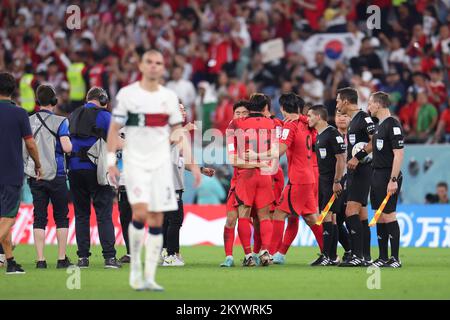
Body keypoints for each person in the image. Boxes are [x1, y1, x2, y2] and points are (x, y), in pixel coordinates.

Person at [106, 49, 201, 291]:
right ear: (141, 65)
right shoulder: (128, 95)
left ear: (162, 67)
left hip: (161, 170)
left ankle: (149, 276)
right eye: (149, 62)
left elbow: (179, 133)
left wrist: (194, 166)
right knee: (139, 216)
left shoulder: (169, 97)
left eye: (159, 62)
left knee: (159, 219)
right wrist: (110, 161)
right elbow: (114, 132)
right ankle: (136, 271)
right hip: (138, 167)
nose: (154, 66)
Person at [247, 93, 324, 265]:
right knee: (311, 218)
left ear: (282, 108)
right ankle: (329, 253)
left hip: (298, 179)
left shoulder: (290, 126)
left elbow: (279, 151)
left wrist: (256, 154)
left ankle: (271, 254)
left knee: (279, 214)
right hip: (309, 177)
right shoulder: (306, 122)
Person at [68, 86, 121, 269]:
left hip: (74, 169)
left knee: (81, 215)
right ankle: (109, 258)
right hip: (96, 169)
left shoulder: (72, 114)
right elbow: (116, 141)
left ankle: (83, 258)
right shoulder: (104, 116)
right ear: (103, 99)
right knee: (104, 214)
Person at [25, 84, 73, 269]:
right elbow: (67, 147)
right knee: (61, 217)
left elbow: (25, 148)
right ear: (55, 101)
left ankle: (40, 259)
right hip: (57, 174)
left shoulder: (28, 121)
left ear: (37, 101)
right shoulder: (61, 121)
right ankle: (61, 259)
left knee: (39, 217)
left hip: (36, 175)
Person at [226, 95, 277, 267]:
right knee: (264, 217)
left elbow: (233, 160)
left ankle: (248, 255)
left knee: (244, 216)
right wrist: (261, 161)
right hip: (265, 175)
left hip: (245, 176)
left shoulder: (236, 125)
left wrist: (253, 161)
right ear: (264, 108)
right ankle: (265, 251)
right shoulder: (272, 124)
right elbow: (275, 152)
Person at [162, 103, 214, 266]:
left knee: (167, 220)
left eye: (184, 109)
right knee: (175, 220)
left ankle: (166, 252)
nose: (183, 112)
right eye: (179, 109)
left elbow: (181, 161)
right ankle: (171, 256)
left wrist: (200, 169)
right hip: (168, 183)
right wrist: (185, 129)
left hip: (171, 182)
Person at [0, 72, 42, 274]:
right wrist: (38, 164)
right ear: (13, 90)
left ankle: (10, 261)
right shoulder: (19, 113)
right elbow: (31, 144)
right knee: (8, 217)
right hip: (9, 172)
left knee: (2, 218)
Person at [336, 87, 375, 267]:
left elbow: (375, 141)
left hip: (362, 171)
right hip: (355, 172)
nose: (337, 105)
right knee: (360, 216)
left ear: (345, 101)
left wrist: (357, 157)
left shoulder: (364, 118)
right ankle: (365, 256)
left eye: (338, 101)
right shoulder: (353, 121)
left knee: (350, 212)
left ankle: (357, 256)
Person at [367, 91, 405, 268]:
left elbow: (398, 154)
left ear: (379, 104)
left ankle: (395, 258)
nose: (368, 107)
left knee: (389, 215)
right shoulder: (378, 126)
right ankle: (383, 257)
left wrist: (393, 179)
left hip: (388, 175)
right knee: (380, 215)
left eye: (370, 103)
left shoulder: (393, 124)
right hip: (376, 174)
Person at [307, 105, 346, 265]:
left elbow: (341, 158)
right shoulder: (320, 135)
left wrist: (337, 181)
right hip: (323, 180)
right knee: (331, 218)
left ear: (318, 117)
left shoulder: (332, 133)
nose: (307, 119)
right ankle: (330, 256)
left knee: (327, 217)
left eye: (309, 116)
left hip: (331, 181)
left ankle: (328, 256)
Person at [221, 100, 250, 267]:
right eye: (237, 113)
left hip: (256, 181)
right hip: (238, 181)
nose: (240, 116)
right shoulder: (232, 130)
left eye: (244, 113)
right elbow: (233, 160)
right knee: (231, 219)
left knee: (256, 219)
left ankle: (253, 253)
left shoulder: (257, 131)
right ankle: (229, 256)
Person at [334, 110, 353, 262]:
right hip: (335, 183)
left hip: (353, 182)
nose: (341, 118)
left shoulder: (357, 137)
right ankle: (349, 250)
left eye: (345, 115)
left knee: (351, 218)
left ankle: (356, 252)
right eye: (339, 115)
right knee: (336, 220)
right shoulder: (330, 136)